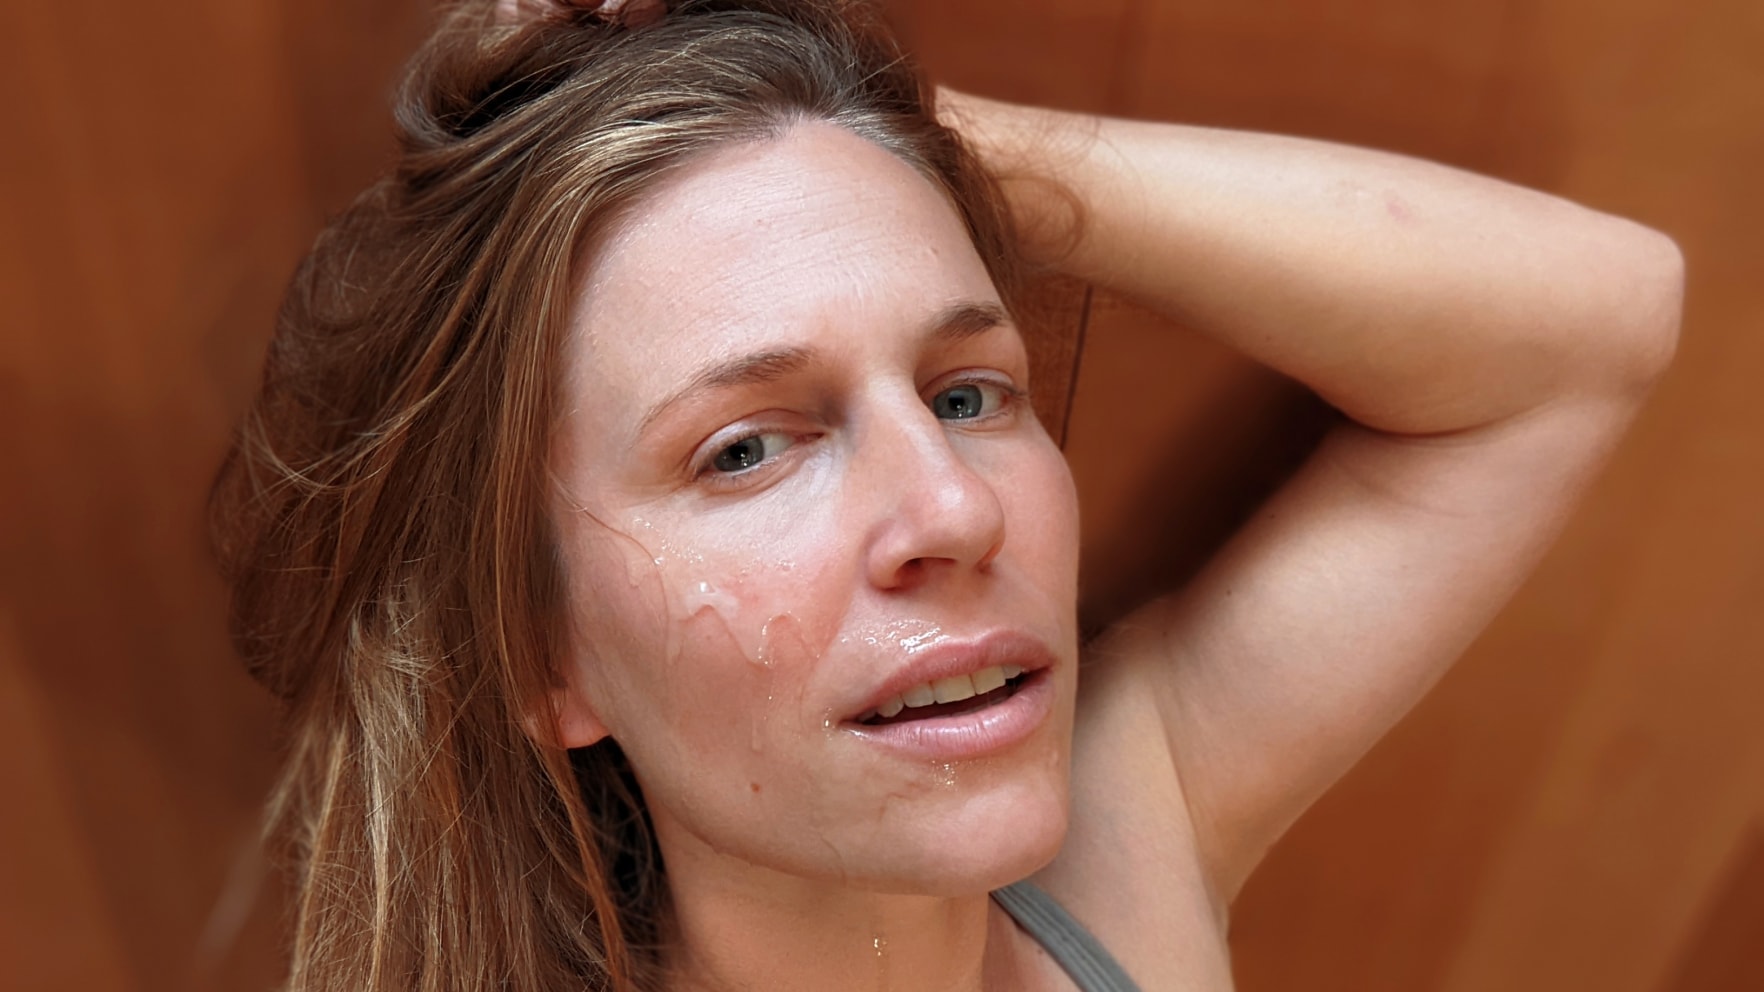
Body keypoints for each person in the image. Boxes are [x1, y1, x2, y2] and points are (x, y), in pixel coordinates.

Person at [209, 0, 1684, 989]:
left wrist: (918, 144)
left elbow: (1597, 323)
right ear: (542, 654)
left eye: (967, 393)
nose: (959, 513)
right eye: (747, 449)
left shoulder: (1122, 849)